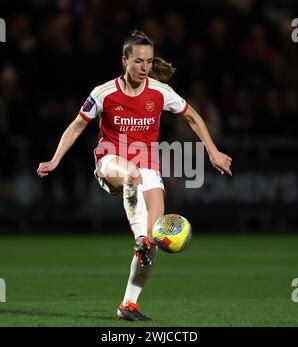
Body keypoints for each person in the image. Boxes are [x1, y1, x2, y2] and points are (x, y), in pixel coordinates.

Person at [37, 30, 232, 321]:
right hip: (110, 163)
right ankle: (139, 236)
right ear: (125, 60)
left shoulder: (159, 92)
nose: (145, 68)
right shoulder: (103, 93)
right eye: (139, 61)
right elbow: (77, 125)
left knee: (153, 239)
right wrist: (55, 159)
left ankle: (128, 304)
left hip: (148, 165)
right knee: (130, 176)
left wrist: (213, 152)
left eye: (149, 62)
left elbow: (192, 116)